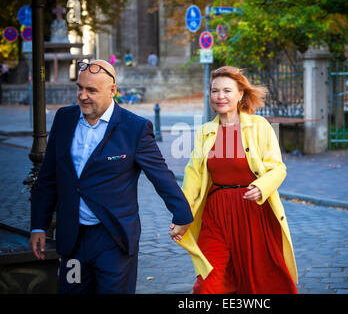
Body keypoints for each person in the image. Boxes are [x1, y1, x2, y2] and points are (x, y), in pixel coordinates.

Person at [29, 59, 192, 294]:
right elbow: (48, 177)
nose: (83, 96)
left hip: (113, 241)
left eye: (91, 90)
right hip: (73, 242)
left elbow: (161, 174)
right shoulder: (64, 119)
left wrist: (182, 213)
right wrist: (38, 226)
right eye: (80, 88)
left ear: (112, 90)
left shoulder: (133, 128)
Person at [178, 66, 298, 294]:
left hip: (252, 212)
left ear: (240, 94)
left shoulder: (260, 126)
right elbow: (192, 176)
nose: (220, 96)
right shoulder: (205, 132)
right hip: (216, 215)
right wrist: (181, 212)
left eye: (226, 90)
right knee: (208, 284)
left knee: (260, 282)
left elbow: (278, 168)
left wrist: (261, 187)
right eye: (215, 91)